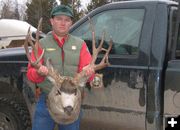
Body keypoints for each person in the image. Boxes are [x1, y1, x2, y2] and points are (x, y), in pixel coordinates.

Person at [27, 4, 94, 130]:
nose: (63, 23)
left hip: (72, 102)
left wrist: (88, 73)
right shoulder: (41, 44)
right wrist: (39, 73)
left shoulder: (80, 45)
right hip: (46, 101)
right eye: (59, 19)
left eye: (67, 20)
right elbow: (30, 74)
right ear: (51, 21)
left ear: (71, 23)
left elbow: (90, 75)